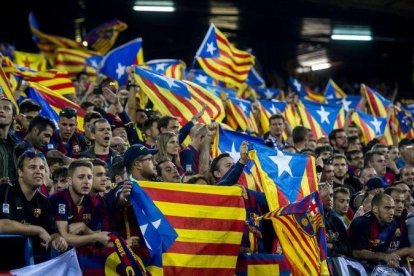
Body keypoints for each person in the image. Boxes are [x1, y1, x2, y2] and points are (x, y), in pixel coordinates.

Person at [0, 150, 68, 263]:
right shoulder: (5, 190)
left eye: (42, 168)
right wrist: (39, 230)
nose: (39, 172)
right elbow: (2, 225)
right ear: (20, 172)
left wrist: (58, 240)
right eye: (32, 167)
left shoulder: (44, 201)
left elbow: (52, 231)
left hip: (31, 263)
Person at [50, 160, 110, 248]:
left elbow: (98, 234)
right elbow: (65, 237)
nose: (86, 181)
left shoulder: (94, 202)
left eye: (89, 177)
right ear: (70, 181)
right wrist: (94, 237)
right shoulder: (60, 199)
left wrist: (84, 228)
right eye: (81, 177)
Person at [348, 193, 412, 270]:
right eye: (387, 208)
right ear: (375, 209)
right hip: (352, 265)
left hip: (373, 266)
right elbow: (356, 252)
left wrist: (390, 260)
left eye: (392, 208)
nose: (391, 212)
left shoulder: (393, 224)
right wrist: (384, 256)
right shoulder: (362, 223)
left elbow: (381, 251)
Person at [320, 184, 350, 257]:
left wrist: (332, 246)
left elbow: (347, 248)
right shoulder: (312, 219)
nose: (329, 199)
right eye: (325, 196)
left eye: (331, 195)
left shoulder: (336, 220)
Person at [0, 98, 18, 181]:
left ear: (14, 116)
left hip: (10, 192)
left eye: (6, 108)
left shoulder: (17, 145)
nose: (1, 111)